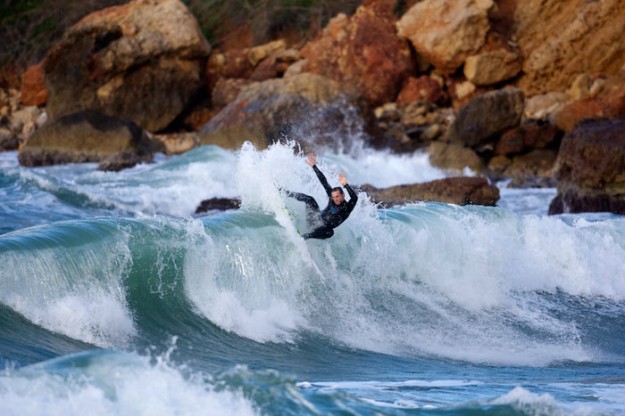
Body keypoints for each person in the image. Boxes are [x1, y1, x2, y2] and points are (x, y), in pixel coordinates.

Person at [283, 154, 358, 239]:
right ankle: (285, 192)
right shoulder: (332, 198)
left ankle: (305, 237)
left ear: (343, 195)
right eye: (333, 197)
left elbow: (355, 198)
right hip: (314, 220)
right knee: (310, 199)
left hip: (322, 231)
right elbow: (324, 181)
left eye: (337, 197)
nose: (335, 199)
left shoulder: (347, 208)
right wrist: (314, 166)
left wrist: (345, 185)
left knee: (330, 232)